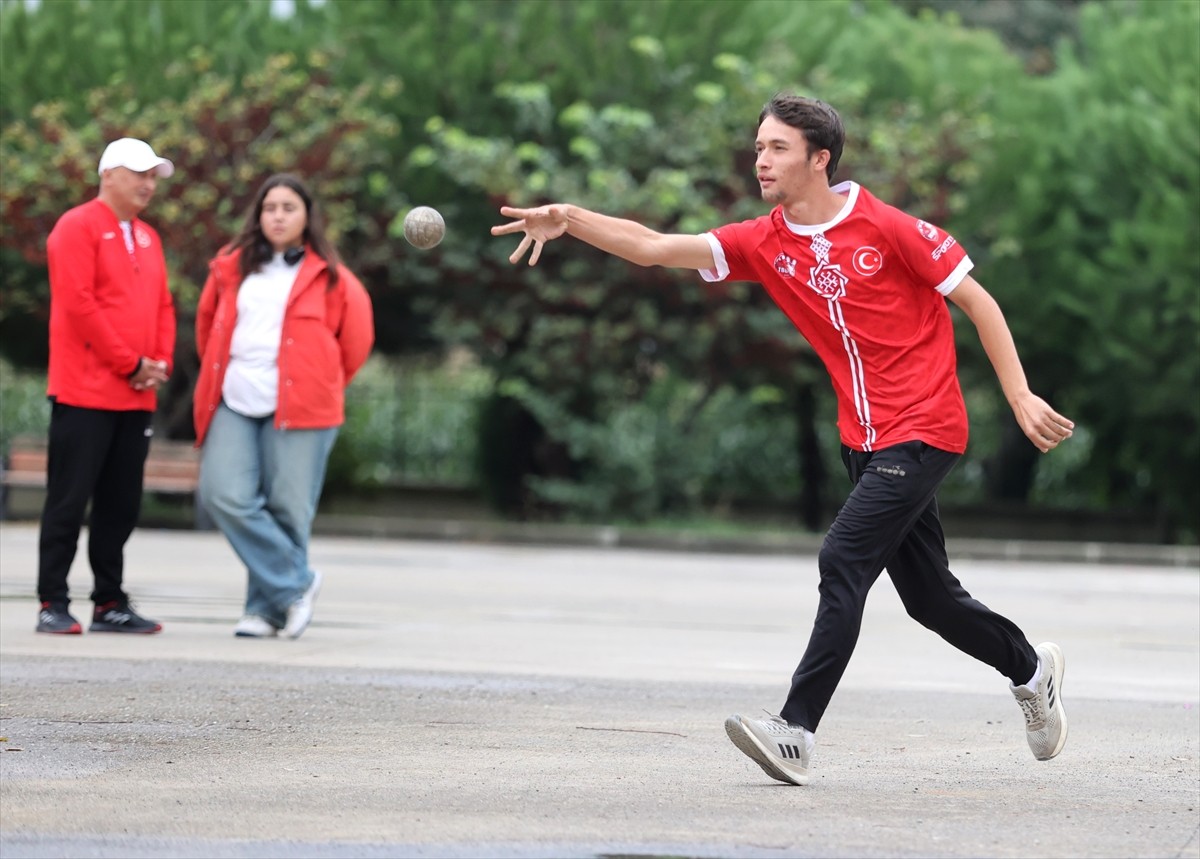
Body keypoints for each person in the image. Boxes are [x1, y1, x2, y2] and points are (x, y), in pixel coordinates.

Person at [492, 95, 1074, 785]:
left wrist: (1019, 395)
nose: (760, 159)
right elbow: (653, 247)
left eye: (777, 148)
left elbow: (977, 300)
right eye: (759, 146)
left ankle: (795, 729)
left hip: (924, 427)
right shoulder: (762, 240)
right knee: (930, 599)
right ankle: (1031, 670)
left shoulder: (889, 228)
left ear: (818, 158)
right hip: (861, 440)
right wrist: (571, 219)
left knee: (842, 558)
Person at [193, 173, 374, 640]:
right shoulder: (230, 268)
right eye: (269, 207)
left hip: (303, 405)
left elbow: (355, 345)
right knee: (222, 493)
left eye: (288, 207)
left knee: (288, 509)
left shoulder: (333, 277)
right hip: (235, 396)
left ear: (307, 217)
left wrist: (319, 383)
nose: (277, 215)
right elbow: (208, 329)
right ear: (258, 215)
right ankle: (297, 585)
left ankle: (264, 610)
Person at [35, 138, 176, 636]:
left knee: (121, 504)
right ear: (108, 174)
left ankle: (109, 602)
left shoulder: (149, 238)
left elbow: (162, 304)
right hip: (85, 392)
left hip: (136, 394)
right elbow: (79, 305)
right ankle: (52, 600)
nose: (148, 183)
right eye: (139, 172)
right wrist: (129, 362)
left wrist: (157, 364)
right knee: (68, 501)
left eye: (154, 175)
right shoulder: (76, 227)